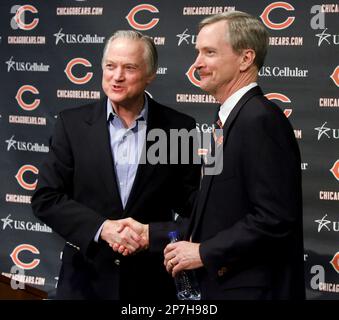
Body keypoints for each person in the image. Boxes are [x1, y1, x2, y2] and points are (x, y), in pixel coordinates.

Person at [31, 30, 200, 300]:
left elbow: (194, 208)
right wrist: (103, 228)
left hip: (150, 285)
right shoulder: (71, 125)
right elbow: (46, 199)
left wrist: (153, 236)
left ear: (151, 74)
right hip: (85, 283)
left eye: (129, 68)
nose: (117, 76)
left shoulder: (179, 129)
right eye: (110, 66)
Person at [163, 11, 305, 300]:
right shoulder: (231, 120)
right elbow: (221, 210)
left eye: (209, 52)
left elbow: (274, 217)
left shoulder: (260, 120)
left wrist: (203, 251)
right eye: (197, 52)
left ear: (245, 58)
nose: (197, 64)